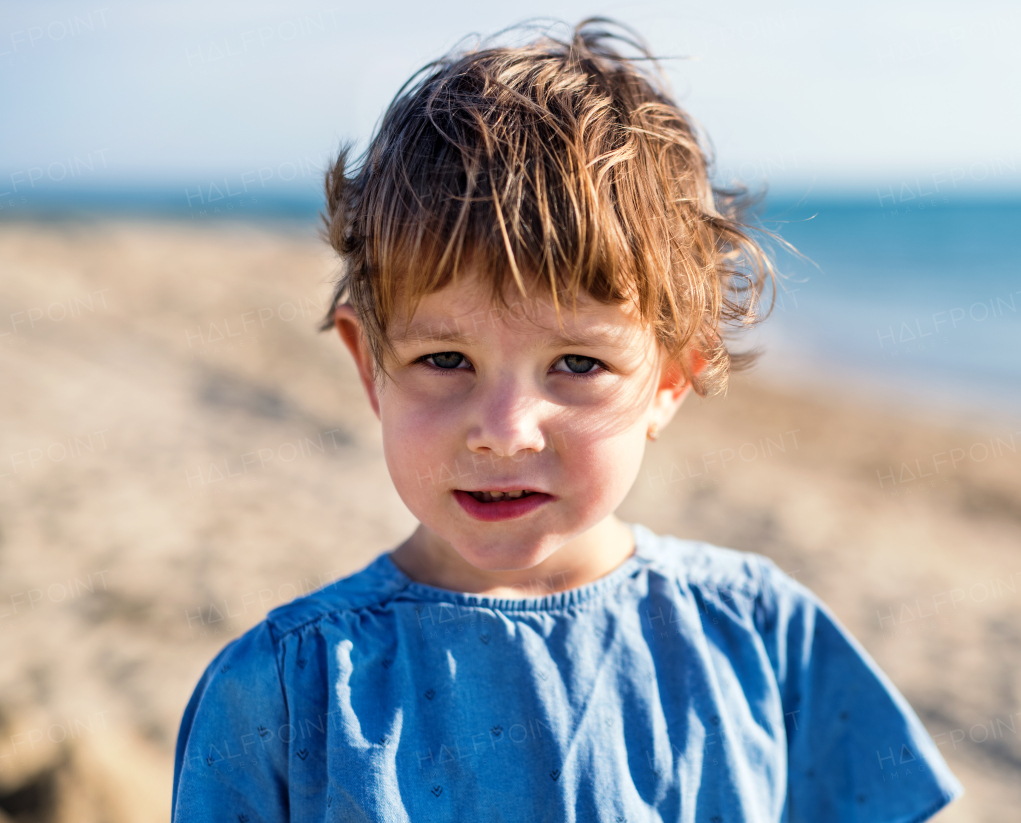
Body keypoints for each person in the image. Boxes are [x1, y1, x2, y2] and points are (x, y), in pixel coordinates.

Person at [171, 18, 962, 822]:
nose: (504, 430)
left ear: (671, 378)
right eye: (445, 360)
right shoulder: (285, 691)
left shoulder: (760, 638)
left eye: (577, 364)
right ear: (370, 366)